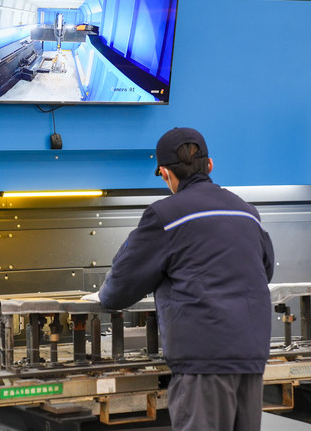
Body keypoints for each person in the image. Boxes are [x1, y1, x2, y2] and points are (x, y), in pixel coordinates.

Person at [96, 127, 274, 430]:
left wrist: (104, 293)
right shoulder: (247, 212)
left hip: (204, 362)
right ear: (210, 165)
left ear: (165, 173)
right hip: (251, 357)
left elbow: (119, 291)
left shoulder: (166, 216)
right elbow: (265, 270)